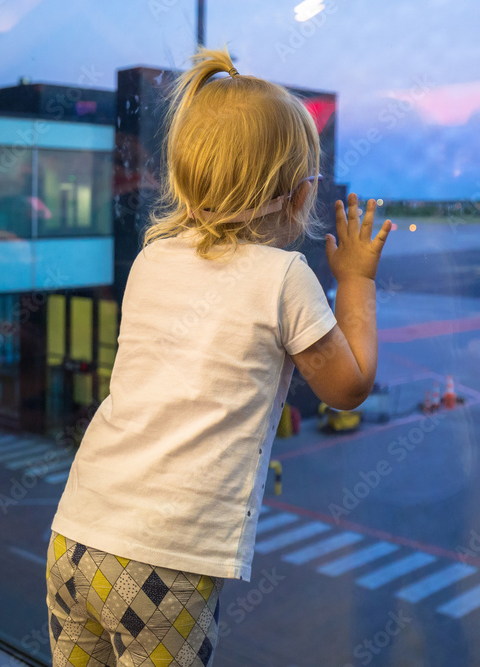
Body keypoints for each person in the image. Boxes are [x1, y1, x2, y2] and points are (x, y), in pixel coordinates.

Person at [45, 45, 391, 667]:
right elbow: (348, 388)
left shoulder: (153, 258)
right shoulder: (283, 277)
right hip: (162, 559)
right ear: (294, 193)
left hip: (76, 533)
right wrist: (358, 280)